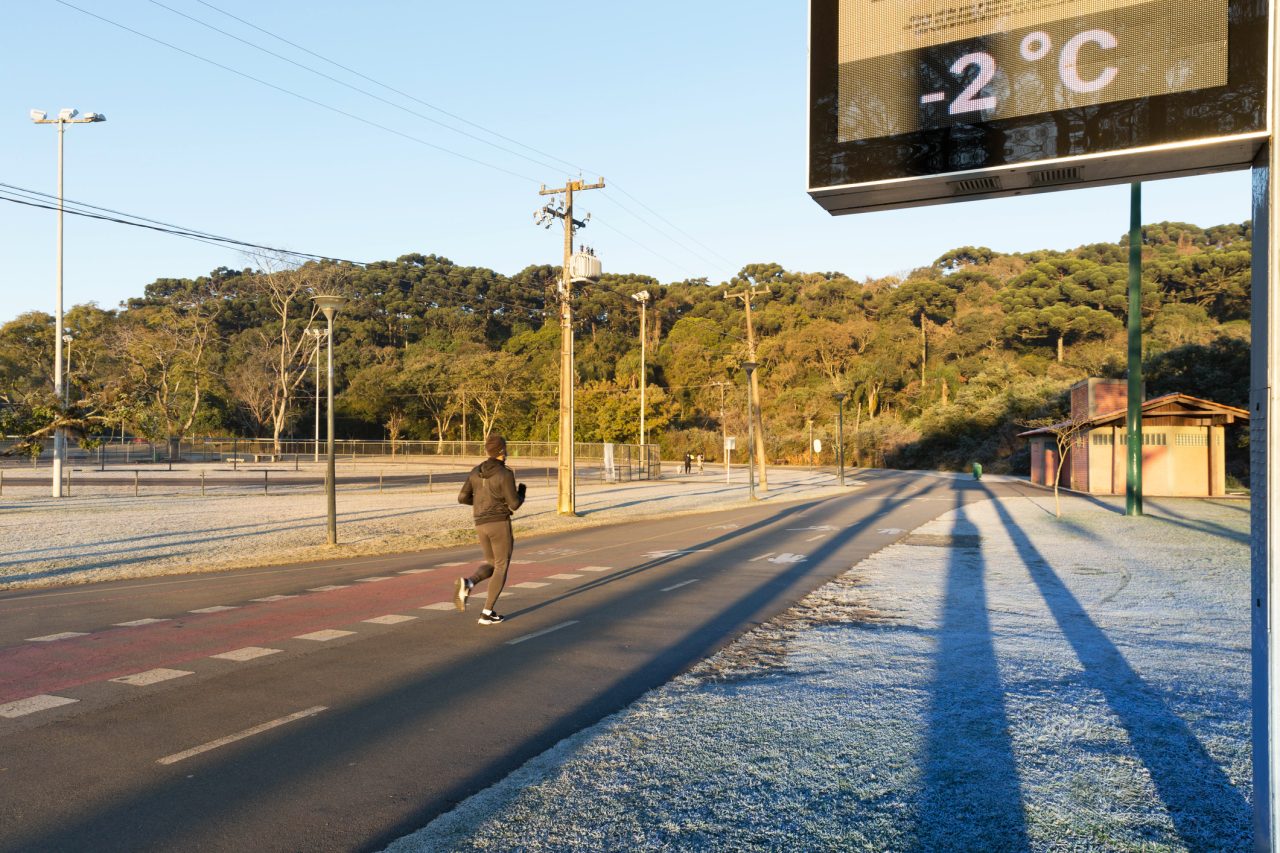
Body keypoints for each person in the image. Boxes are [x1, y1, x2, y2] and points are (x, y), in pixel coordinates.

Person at [454, 434, 525, 625]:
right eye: (506, 448)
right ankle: (487, 612)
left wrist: (479, 504)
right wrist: (522, 493)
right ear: (502, 451)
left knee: (492, 563)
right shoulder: (505, 473)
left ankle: (469, 582)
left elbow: (462, 498)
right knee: (501, 566)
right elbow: (514, 504)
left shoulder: (475, 471)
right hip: (499, 523)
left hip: (480, 523)